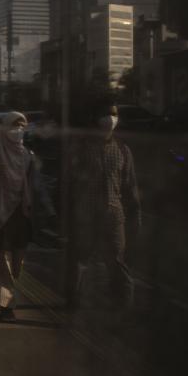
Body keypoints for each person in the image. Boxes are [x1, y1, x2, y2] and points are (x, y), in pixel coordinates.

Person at [68, 101, 141, 310]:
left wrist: (136, 217)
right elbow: (70, 182)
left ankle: (123, 310)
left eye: (114, 114)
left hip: (114, 215)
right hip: (87, 215)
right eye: (107, 114)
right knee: (80, 262)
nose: (111, 118)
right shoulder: (83, 148)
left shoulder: (123, 150)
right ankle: (73, 306)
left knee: (117, 263)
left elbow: (130, 186)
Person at [0, 111, 36, 322]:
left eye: (21, 126)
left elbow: (34, 186)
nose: (17, 131)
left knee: (17, 262)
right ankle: (7, 304)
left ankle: (0, 295)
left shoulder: (27, 156)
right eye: (13, 126)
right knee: (0, 261)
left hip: (21, 215)